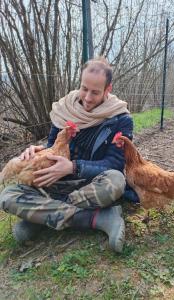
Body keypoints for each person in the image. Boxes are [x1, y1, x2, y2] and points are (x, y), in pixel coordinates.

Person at [0, 57, 136, 253]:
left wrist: (73, 167)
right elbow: (53, 146)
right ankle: (99, 219)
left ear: (108, 89)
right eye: (84, 88)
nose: (87, 97)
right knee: (7, 195)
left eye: (95, 92)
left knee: (116, 181)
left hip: (90, 186)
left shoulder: (120, 119)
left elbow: (114, 164)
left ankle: (42, 216)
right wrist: (36, 151)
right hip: (54, 184)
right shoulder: (64, 109)